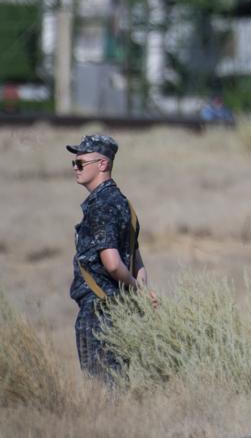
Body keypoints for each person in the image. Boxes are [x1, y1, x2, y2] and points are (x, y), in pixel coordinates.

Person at [68, 134, 156, 379]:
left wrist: (137, 292)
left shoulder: (102, 205)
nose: (75, 168)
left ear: (102, 165)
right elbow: (137, 262)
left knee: (102, 387)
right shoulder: (122, 203)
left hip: (99, 311)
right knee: (119, 382)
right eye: (73, 163)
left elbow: (113, 263)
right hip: (120, 310)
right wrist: (141, 292)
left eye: (80, 163)